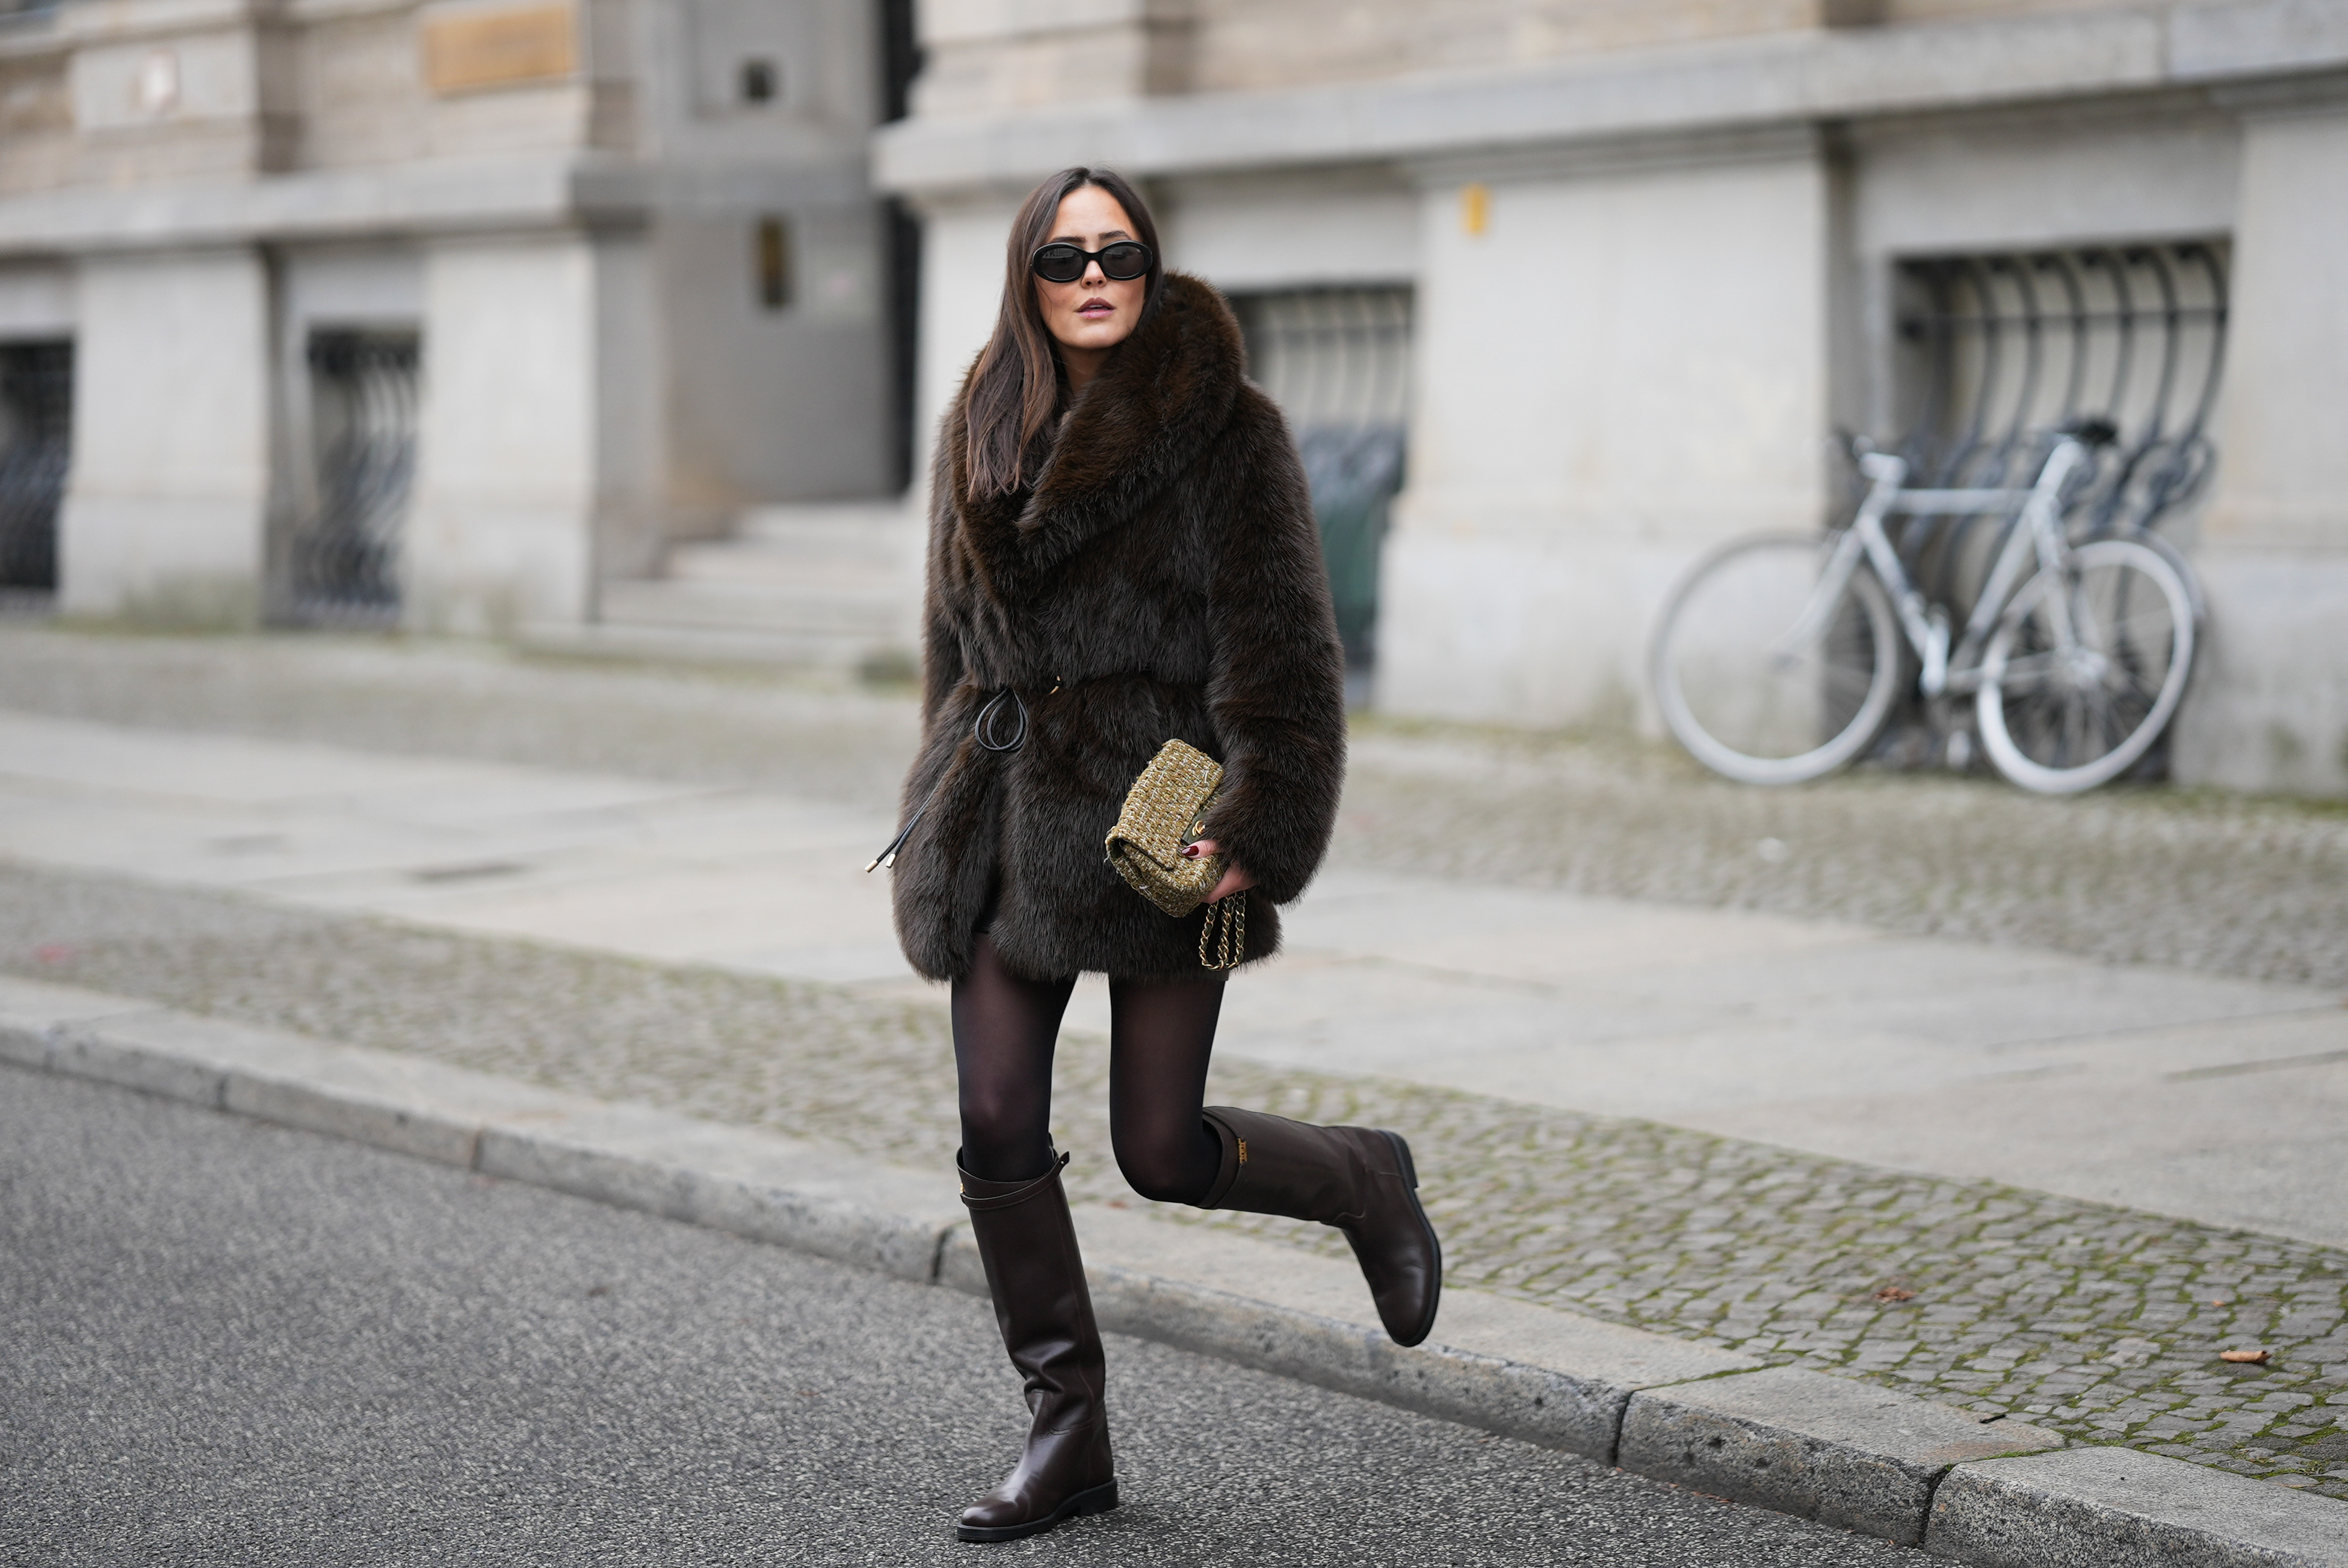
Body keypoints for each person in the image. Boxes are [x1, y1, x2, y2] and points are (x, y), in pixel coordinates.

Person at [881, 165, 1441, 1544]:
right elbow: (949, 640)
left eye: (1116, 250)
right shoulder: (982, 416)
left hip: (1161, 828)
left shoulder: (1227, 429)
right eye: (1065, 254)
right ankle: (1064, 1428)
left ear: (1147, 263)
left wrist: (1263, 824)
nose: (1092, 274)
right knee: (995, 1122)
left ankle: (1362, 1178)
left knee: (1160, 1147)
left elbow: (1286, 647)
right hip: (1007, 817)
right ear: (1027, 273)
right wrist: (940, 780)